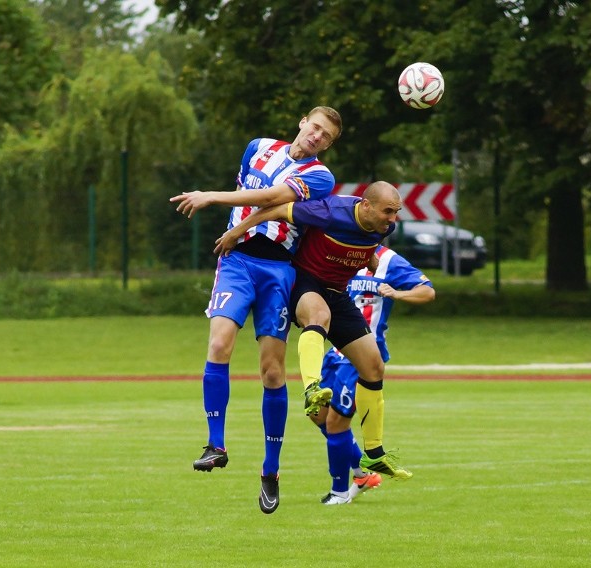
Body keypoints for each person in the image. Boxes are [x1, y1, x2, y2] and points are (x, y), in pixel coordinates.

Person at [169, 106, 343, 515]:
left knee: (272, 371)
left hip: (278, 271)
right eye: (315, 127)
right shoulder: (258, 147)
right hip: (237, 262)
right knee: (220, 343)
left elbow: (271, 200)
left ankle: (271, 469)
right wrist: (238, 231)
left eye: (327, 137)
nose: (317, 137)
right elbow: (253, 197)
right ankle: (216, 444)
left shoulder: (321, 176)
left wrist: (216, 202)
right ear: (302, 121)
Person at [214, 182, 414, 504]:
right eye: (388, 211)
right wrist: (237, 232)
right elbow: (276, 209)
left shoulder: (379, 227)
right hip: (303, 284)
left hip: (337, 292)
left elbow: (364, 250)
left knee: (373, 366)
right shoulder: (330, 211)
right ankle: (311, 389)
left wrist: (371, 261)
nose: (393, 218)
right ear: (365, 205)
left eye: (396, 211)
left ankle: (374, 452)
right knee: (317, 315)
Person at [313, 244, 435, 504]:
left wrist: (398, 294)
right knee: (317, 414)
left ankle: (339, 491)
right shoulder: (339, 252)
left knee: (337, 423)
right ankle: (362, 474)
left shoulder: (389, 260)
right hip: (335, 352)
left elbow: (427, 291)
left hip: (361, 358)